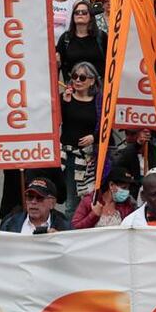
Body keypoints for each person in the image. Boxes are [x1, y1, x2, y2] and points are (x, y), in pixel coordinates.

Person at [59, 62, 100, 216]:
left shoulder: (98, 101)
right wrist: (64, 102)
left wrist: (93, 137)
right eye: (74, 76)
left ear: (92, 80)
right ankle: (71, 235)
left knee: (91, 199)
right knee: (72, 203)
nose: (77, 80)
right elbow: (54, 121)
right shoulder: (65, 97)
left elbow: (106, 125)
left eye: (82, 77)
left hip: (91, 158)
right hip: (70, 157)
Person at [71, 167, 138, 229]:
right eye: (123, 188)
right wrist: (93, 215)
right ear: (111, 185)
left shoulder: (127, 206)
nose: (127, 192)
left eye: (128, 188)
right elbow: (76, 227)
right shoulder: (90, 201)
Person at [55, 0, 106, 81]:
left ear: (91, 16)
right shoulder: (65, 38)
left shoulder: (101, 36)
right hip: (74, 87)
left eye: (84, 12)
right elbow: (57, 65)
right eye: (77, 12)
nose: (80, 14)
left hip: (98, 88)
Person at [0, 177, 71, 233]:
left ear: (52, 203)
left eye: (40, 198)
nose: (33, 202)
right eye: (30, 197)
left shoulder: (64, 228)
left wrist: (60, 239)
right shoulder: (9, 224)